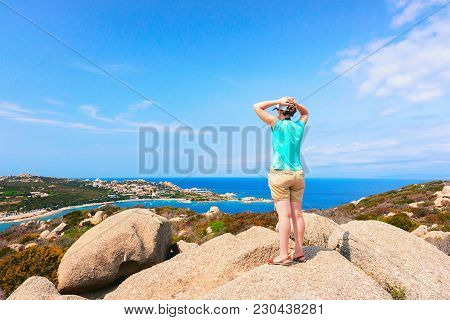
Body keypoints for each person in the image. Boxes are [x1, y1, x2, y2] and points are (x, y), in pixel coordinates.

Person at [253, 96, 309, 266]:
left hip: (280, 174)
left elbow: (256, 106)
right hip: (298, 174)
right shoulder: (299, 126)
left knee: (283, 215)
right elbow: (305, 112)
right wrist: (295, 104)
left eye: (277, 109)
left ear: (279, 111)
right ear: (291, 111)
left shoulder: (276, 124)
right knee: (297, 215)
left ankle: (283, 255)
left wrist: (279, 100)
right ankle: (299, 252)